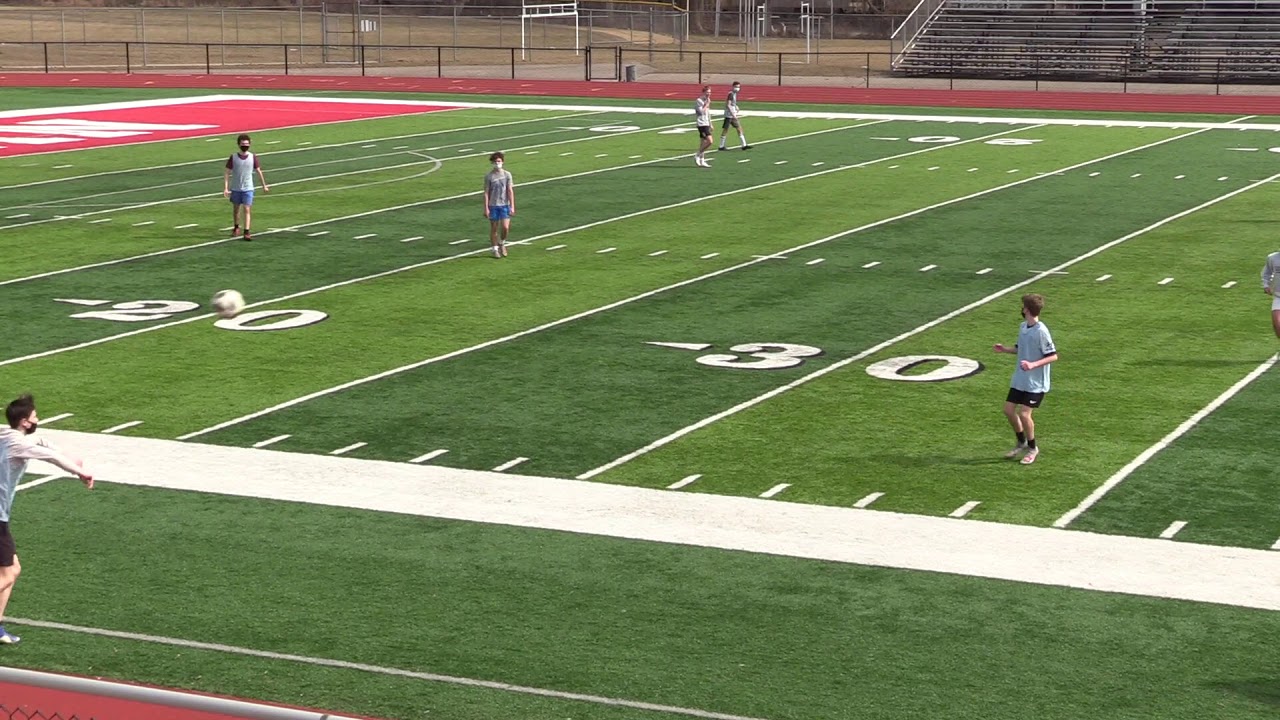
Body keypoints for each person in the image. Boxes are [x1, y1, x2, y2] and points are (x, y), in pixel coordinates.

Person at [0, 394, 94, 646]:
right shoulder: (18, 444)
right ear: (25, 422)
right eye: (34, 416)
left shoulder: (6, 434)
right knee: (7, 575)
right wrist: (80, 471)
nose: (38, 419)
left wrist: (71, 457)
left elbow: (43, 443)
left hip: (1, 516)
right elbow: (50, 457)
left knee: (13, 570)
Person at [993, 294, 1059, 465]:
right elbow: (1019, 348)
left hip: (1036, 384)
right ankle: (1021, 442)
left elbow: (1053, 356)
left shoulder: (1041, 332)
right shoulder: (1023, 327)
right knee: (1008, 410)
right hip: (1020, 380)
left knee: (1024, 414)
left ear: (1027, 309)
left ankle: (1032, 448)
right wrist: (1004, 350)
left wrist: (1033, 364)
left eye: (1023, 306)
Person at [223, 133, 270, 242]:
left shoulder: (252, 157)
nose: (245, 146)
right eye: (243, 144)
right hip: (236, 188)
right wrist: (226, 188)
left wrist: (264, 185)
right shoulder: (233, 157)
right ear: (239, 144)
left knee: (247, 209)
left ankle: (247, 231)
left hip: (248, 188)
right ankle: (236, 227)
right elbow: (227, 172)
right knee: (236, 209)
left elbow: (258, 171)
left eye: (247, 144)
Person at [483, 151, 515, 259]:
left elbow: (510, 190)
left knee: (505, 227)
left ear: (502, 162)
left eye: (499, 161)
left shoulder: (507, 175)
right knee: (494, 228)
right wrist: (486, 208)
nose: (497, 163)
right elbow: (486, 192)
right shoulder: (489, 176)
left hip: (505, 204)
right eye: (495, 161)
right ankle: (495, 249)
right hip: (493, 205)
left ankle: (502, 242)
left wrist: (512, 206)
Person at [718, 81, 751, 152]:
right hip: (729, 115)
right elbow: (728, 104)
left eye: (738, 87)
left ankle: (744, 145)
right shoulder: (731, 94)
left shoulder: (734, 94)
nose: (737, 88)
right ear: (733, 87)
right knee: (726, 130)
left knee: (739, 128)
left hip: (732, 115)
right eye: (736, 87)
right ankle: (721, 146)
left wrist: (736, 106)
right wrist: (733, 114)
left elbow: (732, 103)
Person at [694, 86, 713, 168]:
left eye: (710, 92)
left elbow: (708, 113)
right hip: (701, 123)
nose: (708, 94)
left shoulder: (707, 100)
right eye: (707, 92)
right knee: (710, 141)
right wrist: (706, 104)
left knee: (702, 142)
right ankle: (697, 154)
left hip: (706, 123)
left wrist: (710, 123)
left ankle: (702, 160)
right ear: (704, 92)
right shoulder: (699, 101)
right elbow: (701, 112)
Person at [1263, 250, 1280, 338]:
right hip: (1279, 296)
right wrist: (1266, 285)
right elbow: (1266, 273)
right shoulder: (1273, 258)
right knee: (1277, 324)